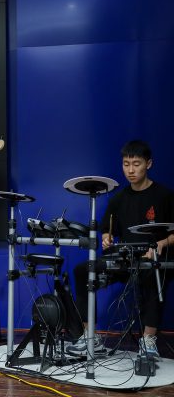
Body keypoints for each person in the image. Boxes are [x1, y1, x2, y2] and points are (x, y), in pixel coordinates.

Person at [68, 140, 174, 357]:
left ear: (148, 164)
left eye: (136, 164)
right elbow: (107, 230)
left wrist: (162, 243)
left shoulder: (164, 196)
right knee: (82, 270)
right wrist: (106, 238)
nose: (130, 170)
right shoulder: (118, 199)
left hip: (153, 257)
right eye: (126, 164)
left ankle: (148, 340)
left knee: (154, 272)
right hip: (125, 258)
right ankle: (90, 337)